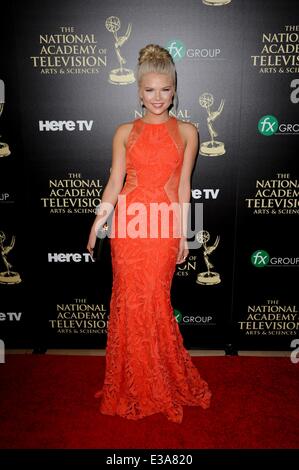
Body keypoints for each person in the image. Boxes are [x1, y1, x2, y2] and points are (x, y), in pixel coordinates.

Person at [87, 44, 211, 423]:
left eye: (166, 90)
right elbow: (114, 181)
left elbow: (184, 186)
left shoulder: (189, 131)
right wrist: (98, 221)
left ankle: (159, 380)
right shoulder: (125, 131)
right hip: (129, 225)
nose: (158, 98)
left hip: (161, 227)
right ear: (139, 91)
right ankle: (131, 382)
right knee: (129, 301)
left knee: (155, 301)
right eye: (151, 90)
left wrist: (186, 235)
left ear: (175, 90)